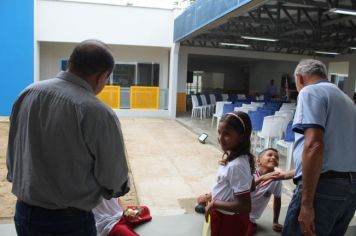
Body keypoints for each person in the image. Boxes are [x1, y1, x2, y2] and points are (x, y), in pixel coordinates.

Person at [6, 39, 130, 235]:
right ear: (102, 76)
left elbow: (14, 153)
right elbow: (114, 178)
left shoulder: (28, 93)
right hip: (69, 223)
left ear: (71, 63)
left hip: (24, 214)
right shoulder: (96, 111)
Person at [277, 59, 356, 236]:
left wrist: (306, 204)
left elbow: (313, 145)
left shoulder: (310, 92)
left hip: (323, 188)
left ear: (299, 78)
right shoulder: (346, 99)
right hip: (349, 189)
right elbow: (338, 150)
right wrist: (293, 171)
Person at [201, 111, 255, 236]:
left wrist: (214, 203)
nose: (220, 139)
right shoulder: (238, 157)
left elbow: (244, 206)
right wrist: (212, 195)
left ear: (241, 137)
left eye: (227, 134)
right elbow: (250, 186)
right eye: (219, 132)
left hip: (230, 221)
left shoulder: (236, 165)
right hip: (223, 214)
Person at [246, 148, 283, 235]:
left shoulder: (276, 180)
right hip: (234, 210)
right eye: (269, 155)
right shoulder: (250, 173)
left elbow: (277, 200)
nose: (273, 158)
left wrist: (275, 221)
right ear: (258, 161)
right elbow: (245, 189)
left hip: (250, 218)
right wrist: (262, 178)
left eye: (277, 158)